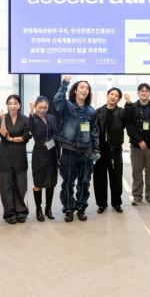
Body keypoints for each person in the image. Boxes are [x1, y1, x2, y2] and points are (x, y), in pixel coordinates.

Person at [54, 74, 100, 222]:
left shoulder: (92, 112)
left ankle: (81, 207)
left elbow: (94, 133)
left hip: (86, 152)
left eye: (87, 88)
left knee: (84, 183)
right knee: (67, 183)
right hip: (69, 151)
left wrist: (96, 151)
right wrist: (65, 83)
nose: (84, 90)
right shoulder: (67, 106)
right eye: (82, 87)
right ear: (75, 90)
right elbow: (57, 101)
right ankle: (68, 209)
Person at [0, 94, 30, 224]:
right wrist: (3, 120)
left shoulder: (25, 119)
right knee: (6, 186)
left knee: (21, 185)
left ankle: (21, 211)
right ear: (7, 105)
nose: (12, 106)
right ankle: (9, 213)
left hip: (20, 156)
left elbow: (26, 137)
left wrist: (13, 139)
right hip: (5, 157)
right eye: (10, 103)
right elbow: (3, 135)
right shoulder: (0, 119)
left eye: (15, 103)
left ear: (19, 105)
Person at [124, 83, 150, 206]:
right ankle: (137, 196)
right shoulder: (132, 107)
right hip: (136, 146)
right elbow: (129, 125)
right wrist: (139, 140)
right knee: (137, 172)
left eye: (146, 91)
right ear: (138, 93)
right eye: (141, 91)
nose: (144, 93)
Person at [93, 87, 126, 214]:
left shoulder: (122, 112)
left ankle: (116, 203)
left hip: (115, 151)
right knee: (99, 178)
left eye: (116, 95)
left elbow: (130, 120)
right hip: (100, 151)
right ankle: (102, 204)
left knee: (116, 178)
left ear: (118, 99)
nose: (113, 97)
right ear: (107, 95)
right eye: (111, 94)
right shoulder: (98, 112)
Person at [28, 96, 58, 222]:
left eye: (45, 107)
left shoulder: (51, 118)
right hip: (39, 155)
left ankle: (48, 209)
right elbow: (29, 128)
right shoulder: (32, 119)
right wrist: (31, 112)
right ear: (36, 107)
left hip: (51, 154)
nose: (42, 110)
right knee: (38, 183)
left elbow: (55, 134)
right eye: (40, 107)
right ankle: (38, 209)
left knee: (51, 182)